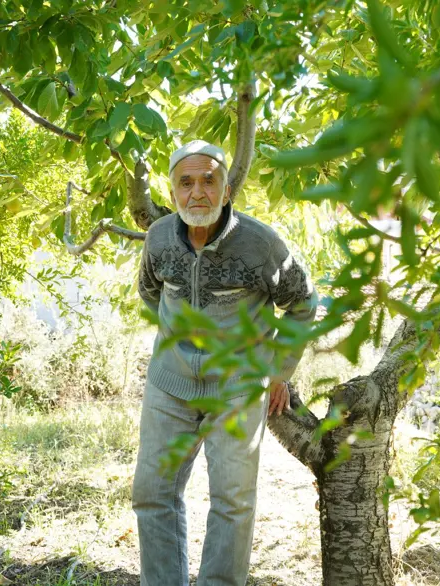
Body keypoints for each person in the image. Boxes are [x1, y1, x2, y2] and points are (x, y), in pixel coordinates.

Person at [133, 140, 318, 586]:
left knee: (232, 501)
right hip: (169, 385)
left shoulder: (259, 243)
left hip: (237, 389)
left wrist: (279, 370)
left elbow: (303, 303)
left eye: (209, 180)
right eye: (186, 182)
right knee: (151, 495)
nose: (198, 192)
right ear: (173, 191)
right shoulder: (158, 237)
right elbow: (150, 292)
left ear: (226, 189)